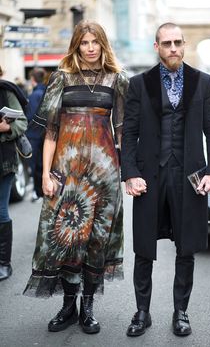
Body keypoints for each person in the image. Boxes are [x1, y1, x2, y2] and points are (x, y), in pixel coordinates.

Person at [23, 20, 129, 334]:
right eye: (85, 43)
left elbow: (122, 132)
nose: (91, 48)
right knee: (67, 240)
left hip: (104, 174)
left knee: (96, 241)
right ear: (77, 46)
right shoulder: (62, 78)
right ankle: (68, 307)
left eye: (95, 42)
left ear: (103, 44)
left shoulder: (117, 79)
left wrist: (129, 172)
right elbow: (51, 132)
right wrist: (45, 174)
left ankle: (89, 309)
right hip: (66, 174)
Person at [121, 22, 210, 337]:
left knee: (186, 247)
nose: (173, 48)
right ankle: (142, 312)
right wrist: (130, 174)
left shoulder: (202, 82)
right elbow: (129, 133)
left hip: (189, 175)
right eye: (167, 43)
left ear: (185, 44)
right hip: (150, 175)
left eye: (178, 42)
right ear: (157, 47)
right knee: (144, 248)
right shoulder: (139, 83)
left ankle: (181, 312)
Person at [0, 66, 28, 281]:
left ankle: (4, 263)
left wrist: (7, 128)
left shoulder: (6, 91)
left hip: (4, 162)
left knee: (1, 211)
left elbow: (22, 122)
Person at [25, 67, 46, 201]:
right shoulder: (46, 91)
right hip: (45, 133)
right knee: (43, 164)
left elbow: (31, 115)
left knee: (35, 165)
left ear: (32, 79)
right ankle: (42, 192)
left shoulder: (34, 95)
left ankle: (37, 193)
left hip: (34, 134)